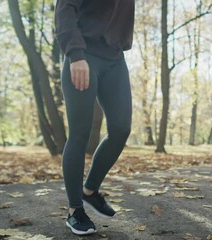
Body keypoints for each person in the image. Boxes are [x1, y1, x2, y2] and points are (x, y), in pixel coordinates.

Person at [54, 0, 135, 235]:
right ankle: (74, 210)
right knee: (80, 132)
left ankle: (89, 191)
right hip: (83, 53)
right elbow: (65, 8)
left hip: (115, 58)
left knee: (121, 129)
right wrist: (75, 54)